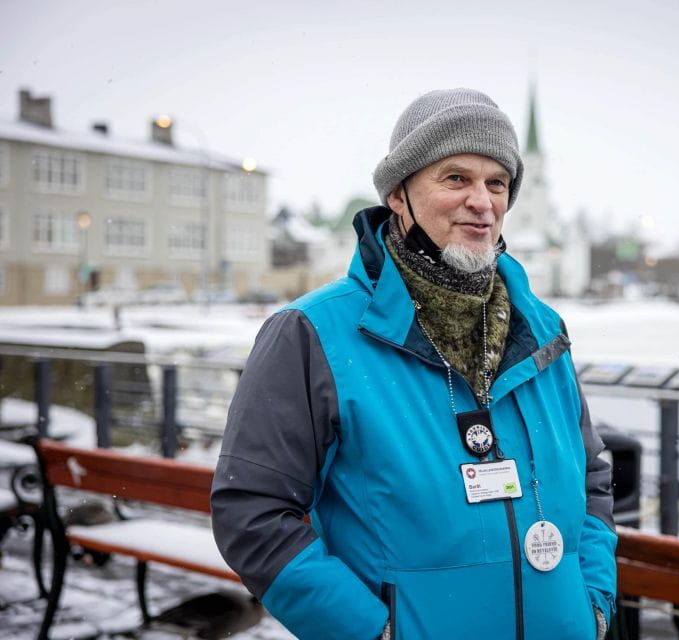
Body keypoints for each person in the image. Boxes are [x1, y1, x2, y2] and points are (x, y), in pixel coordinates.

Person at [211, 88, 617, 640]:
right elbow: (252, 511)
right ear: (399, 194)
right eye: (456, 178)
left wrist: (590, 602)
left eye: (497, 183)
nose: (483, 201)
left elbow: (592, 476)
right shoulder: (314, 334)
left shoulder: (542, 331)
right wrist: (370, 631)